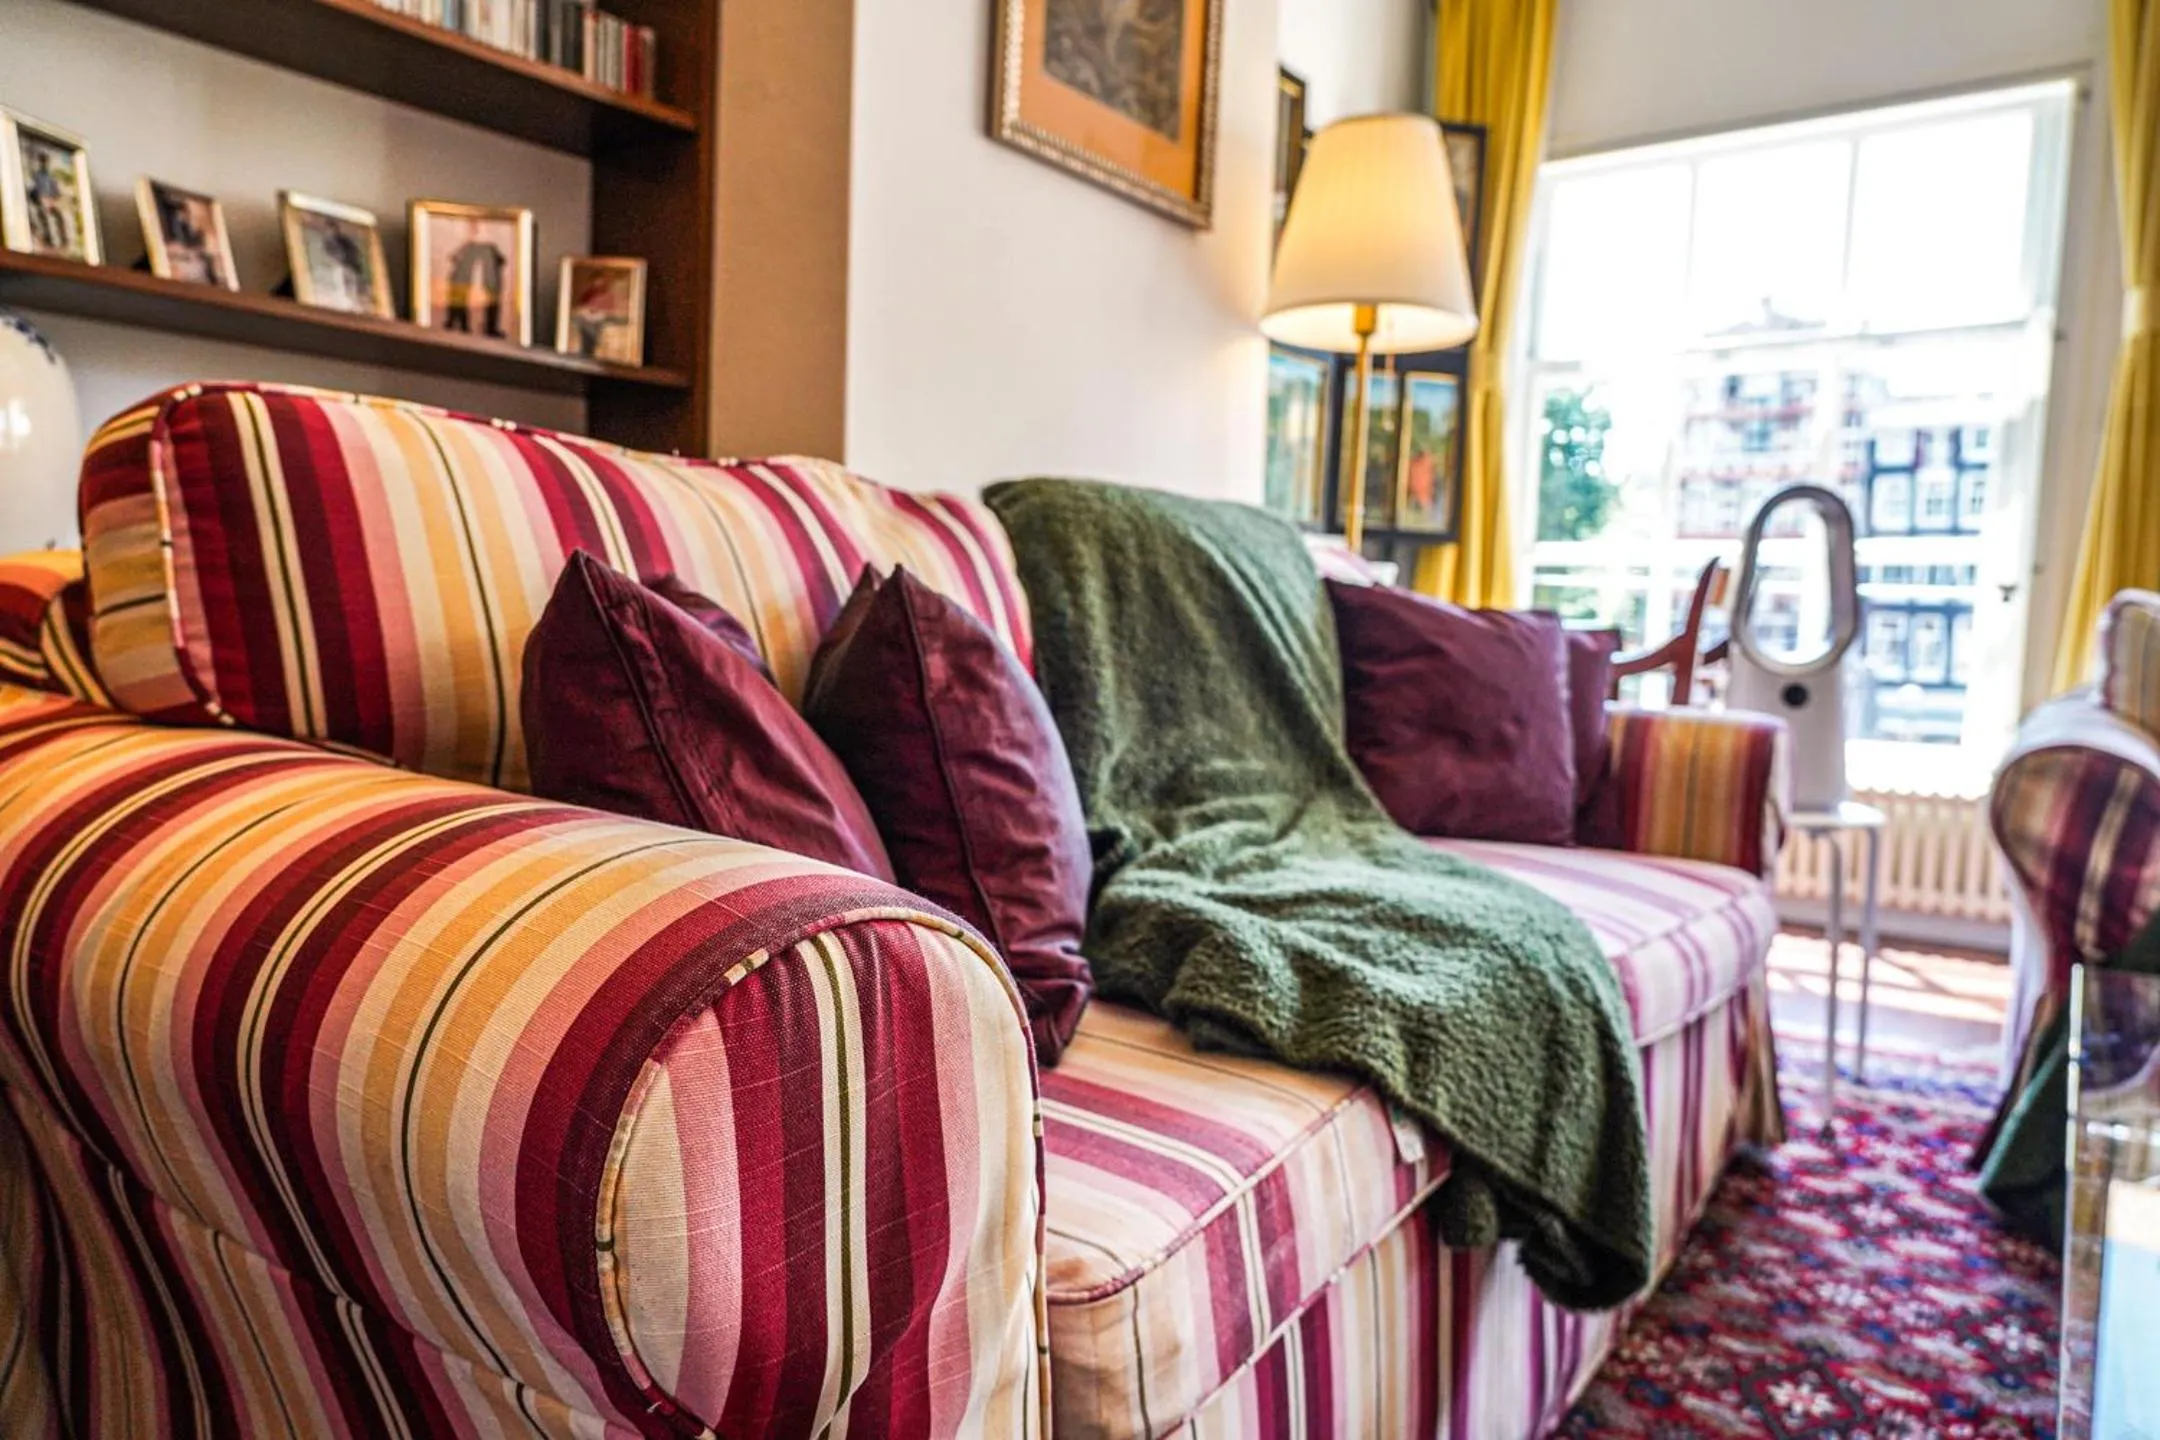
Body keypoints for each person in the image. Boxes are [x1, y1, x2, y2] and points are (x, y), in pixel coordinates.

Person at [444, 222, 510, 338]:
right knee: (459, 300)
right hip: (467, 284)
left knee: (490, 302)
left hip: (486, 284)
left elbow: (501, 261)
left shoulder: (489, 247)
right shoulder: (468, 246)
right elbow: (454, 258)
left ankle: (485, 327)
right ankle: (461, 325)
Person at [25, 149, 69, 254]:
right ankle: (47, 240)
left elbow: (56, 191)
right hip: (40, 202)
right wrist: (41, 199)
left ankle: (64, 240)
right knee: (42, 216)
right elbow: (33, 191)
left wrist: (53, 200)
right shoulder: (36, 176)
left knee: (59, 216)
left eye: (45, 161)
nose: (43, 163)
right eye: (42, 161)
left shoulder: (51, 177)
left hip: (51, 201)